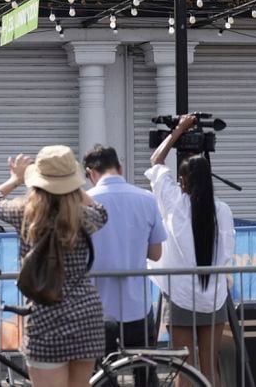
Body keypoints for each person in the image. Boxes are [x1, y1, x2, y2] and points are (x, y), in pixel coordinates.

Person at [0, 146, 107, 387]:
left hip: (45, 317)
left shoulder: (24, 213)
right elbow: (102, 212)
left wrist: (15, 179)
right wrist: (73, 187)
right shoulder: (83, 217)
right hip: (86, 317)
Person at [147, 114, 235, 387]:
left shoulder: (174, 203)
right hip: (214, 297)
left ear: (182, 182)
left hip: (181, 296)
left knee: (184, 369)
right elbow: (229, 252)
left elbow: (156, 161)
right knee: (209, 369)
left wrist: (178, 131)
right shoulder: (223, 210)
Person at [84, 145, 166, 387]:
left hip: (97, 309)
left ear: (90, 173)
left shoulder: (85, 203)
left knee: (102, 376)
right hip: (137, 306)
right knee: (145, 374)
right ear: (120, 167)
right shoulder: (147, 199)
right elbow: (156, 253)